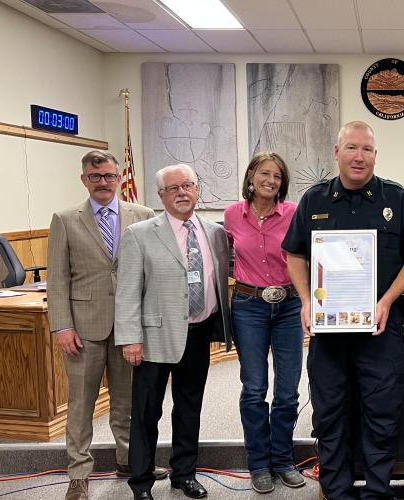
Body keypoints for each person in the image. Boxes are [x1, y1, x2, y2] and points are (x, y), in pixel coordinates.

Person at [282, 120, 404, 500]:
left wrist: (387, 300)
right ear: (337, 152)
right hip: (328, 334)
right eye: (351, 147)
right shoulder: (314, 200)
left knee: (382, 414)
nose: (359, 156)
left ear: (375, 155)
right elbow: (295, 254)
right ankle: (338, 492)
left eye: (367, 149)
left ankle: (378, 492)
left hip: (379, 330)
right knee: (330, 415)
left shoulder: (396, 199)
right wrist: (304, 299)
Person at [47, 150, 161, 500]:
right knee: (81, 406)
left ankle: (128, 461)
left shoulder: (142, 216)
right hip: (83, 330)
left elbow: (151, 275)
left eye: (109, 176)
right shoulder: (65, 220)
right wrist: (62, 326)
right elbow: (57, 279)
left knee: (127, 403)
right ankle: (78, 474)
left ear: (118, 177)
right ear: (84, 179)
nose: (102, 183)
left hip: (129, 330)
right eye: (94, 177)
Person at [114, 164, 233, 500]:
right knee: (146, 412)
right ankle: (140, 483)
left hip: (198, 335)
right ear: (161, 196)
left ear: (198, 189)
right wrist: (130, 338)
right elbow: (127, 291)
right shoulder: (140, 234)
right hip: (153, 338)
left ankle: (184, 474)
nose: (182, 192)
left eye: (188, 185)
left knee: (189, 408)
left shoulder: (215, 233)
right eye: (173, 188)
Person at [223, 152, 305, 494]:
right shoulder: (231, 214)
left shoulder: (293, 213)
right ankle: (258, 463)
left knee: (287, 389)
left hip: (288, 305)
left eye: (277, 176)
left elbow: (307, 254)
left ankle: (283, 459)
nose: (271, 180)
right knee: (254, 387)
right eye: (264, 173)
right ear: (251, 176)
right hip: (248, 305)